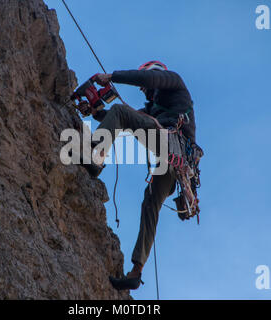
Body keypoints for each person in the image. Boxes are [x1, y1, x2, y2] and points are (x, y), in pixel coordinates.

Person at [79, 61, 196, 290]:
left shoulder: (173, 82)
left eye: (145, 85)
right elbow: (127, 119)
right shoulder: (154, 110)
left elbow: (147, 83)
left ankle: (96, 156)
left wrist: (111, 76)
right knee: (150, 204)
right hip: (176, 162)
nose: (145, 91)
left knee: (120, 111)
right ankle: (136, 271)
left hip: (171, 145)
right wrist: (96, 113)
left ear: (155, 73)